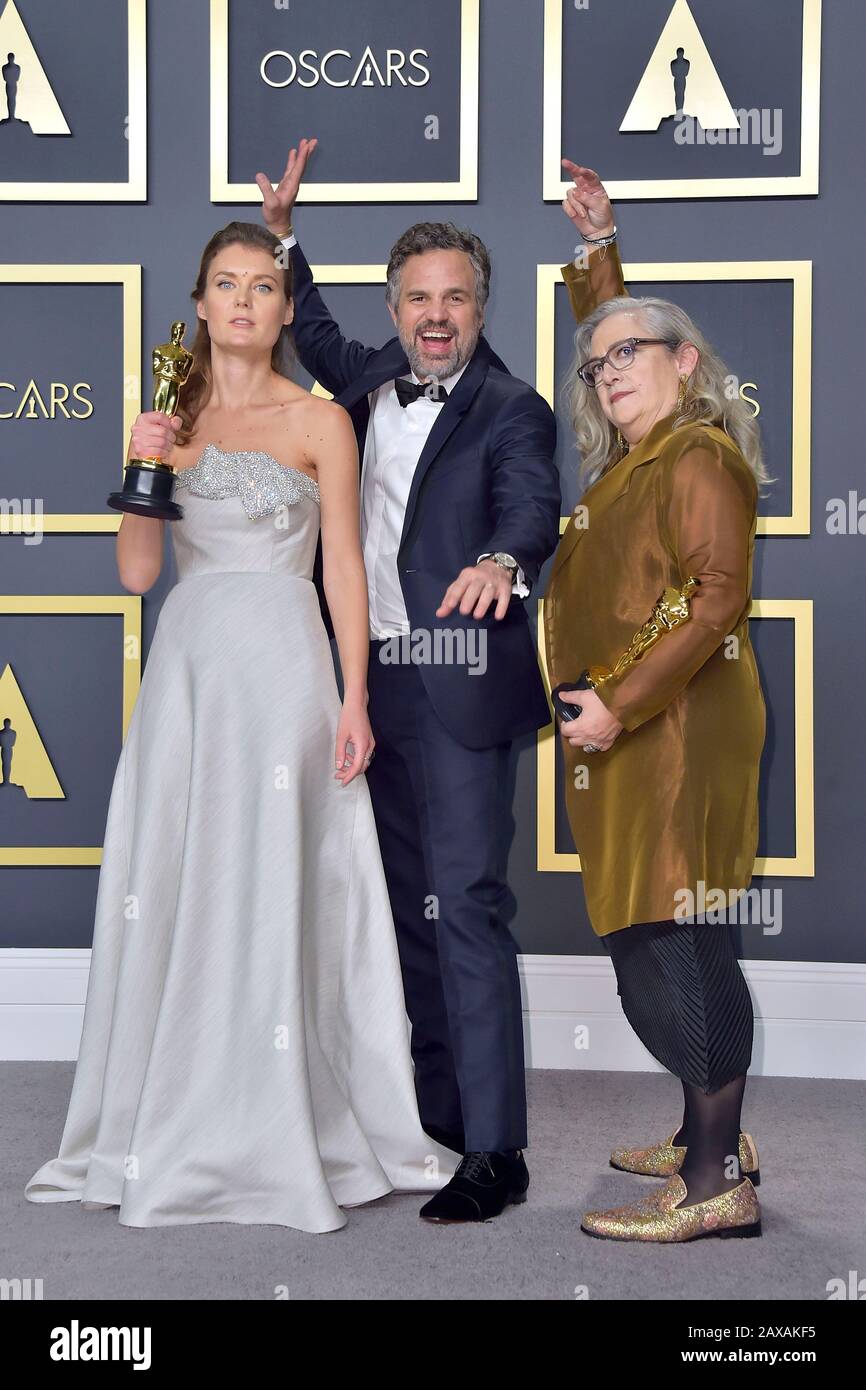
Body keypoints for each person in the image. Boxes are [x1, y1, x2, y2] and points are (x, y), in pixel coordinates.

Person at [24, 220, 456, 1233]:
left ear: (279, 305)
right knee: (181, 877)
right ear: (201, 301)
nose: (246, 301)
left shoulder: (319, 423)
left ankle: (289, 1113)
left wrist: (353, 697)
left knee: (287, 879)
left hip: (288, 671)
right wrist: (142, 468)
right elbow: (137, 573)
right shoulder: (166, 418)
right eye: (227, 283)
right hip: (191, 673)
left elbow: (345, 568)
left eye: (264, 285)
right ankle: (170, 1109)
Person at [256, 141, 561, 1222]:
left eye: (456, 298)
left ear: (481, 307)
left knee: (468, 908)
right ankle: (435, 1123)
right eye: (418, 298)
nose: (436, 315)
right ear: (400, 305)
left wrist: (502, 561)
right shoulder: (370, 374)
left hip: (460, 687)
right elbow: (318, 328)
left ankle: (497, 1153)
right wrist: (286, 237)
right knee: (410, 915)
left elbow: (531, 510)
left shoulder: (511, 409)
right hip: (371, 688)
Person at [544, 162, 769, 1241]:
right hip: (639, 730)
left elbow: (714, 597)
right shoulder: (642, 449)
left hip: (667, 732)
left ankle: (713, 1177)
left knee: (663, 949)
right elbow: (620, 338)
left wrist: (617, 704)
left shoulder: (695, 455)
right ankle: (705, 1133)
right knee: (678, 937)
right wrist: (599, 251)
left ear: (687, 365)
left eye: (629, 358)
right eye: (594, 368)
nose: (604, 375)